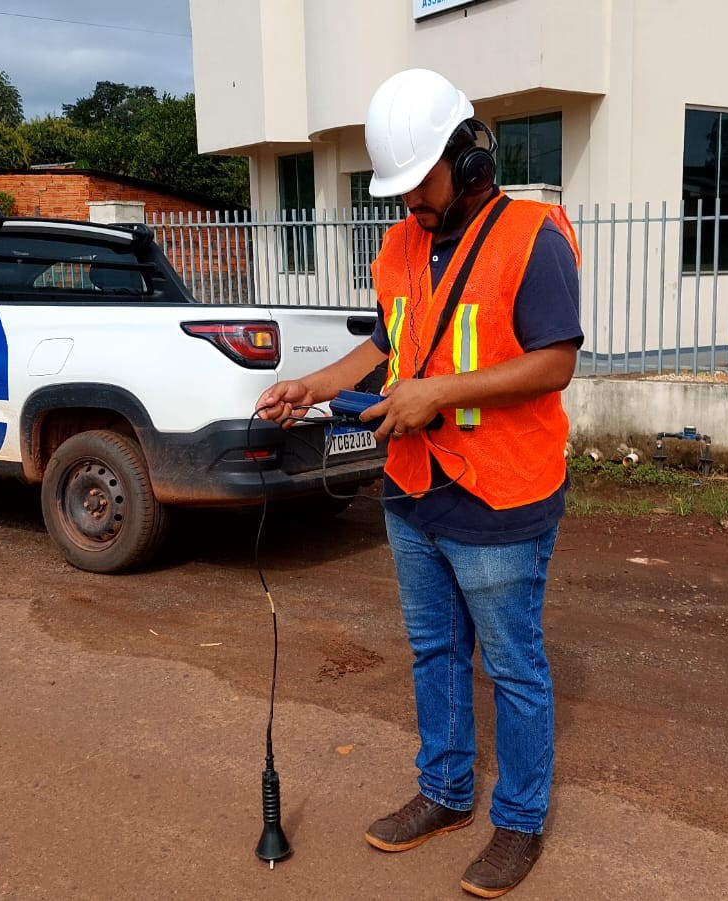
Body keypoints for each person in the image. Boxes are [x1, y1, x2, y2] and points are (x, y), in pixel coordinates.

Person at [256, 68, 582, 899]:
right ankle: (444, 791)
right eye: (398, 187)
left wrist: (437, 393)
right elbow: (384, 344)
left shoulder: (532, 237)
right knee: (435, 651)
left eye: (420, 182)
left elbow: (555, 361)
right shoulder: (400, 244)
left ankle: (519, 820)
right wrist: (312, 386)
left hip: (501, 495)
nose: (409, 200)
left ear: (468, 160)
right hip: (413, 488)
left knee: (513, 667)